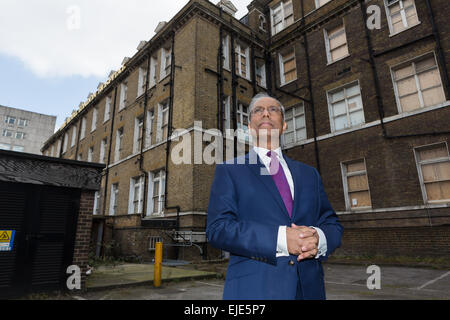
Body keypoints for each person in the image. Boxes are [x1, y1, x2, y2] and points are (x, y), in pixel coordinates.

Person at [206, 92, 343, 300]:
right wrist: (280, 239)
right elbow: (218, 229)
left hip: (309, 290)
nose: (266, 114)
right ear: (250, 127)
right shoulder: (230, 171)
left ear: (284, 125)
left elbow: (332, 223)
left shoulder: (309, 174)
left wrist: (318, 238)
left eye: (273, 110)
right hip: (254, 291)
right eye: (258, 110)